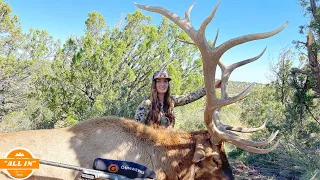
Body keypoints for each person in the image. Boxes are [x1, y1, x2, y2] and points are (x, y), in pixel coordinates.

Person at [134, 68, 221, 128]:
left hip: (167, 144)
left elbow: (190, 96)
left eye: (165, 81)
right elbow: (136, 128)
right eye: (158, 81)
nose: (162, 84)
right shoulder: (146, 104)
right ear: (154, 84)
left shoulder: (172, 101)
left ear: (168, 84)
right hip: (149, 147)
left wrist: (212, 87)